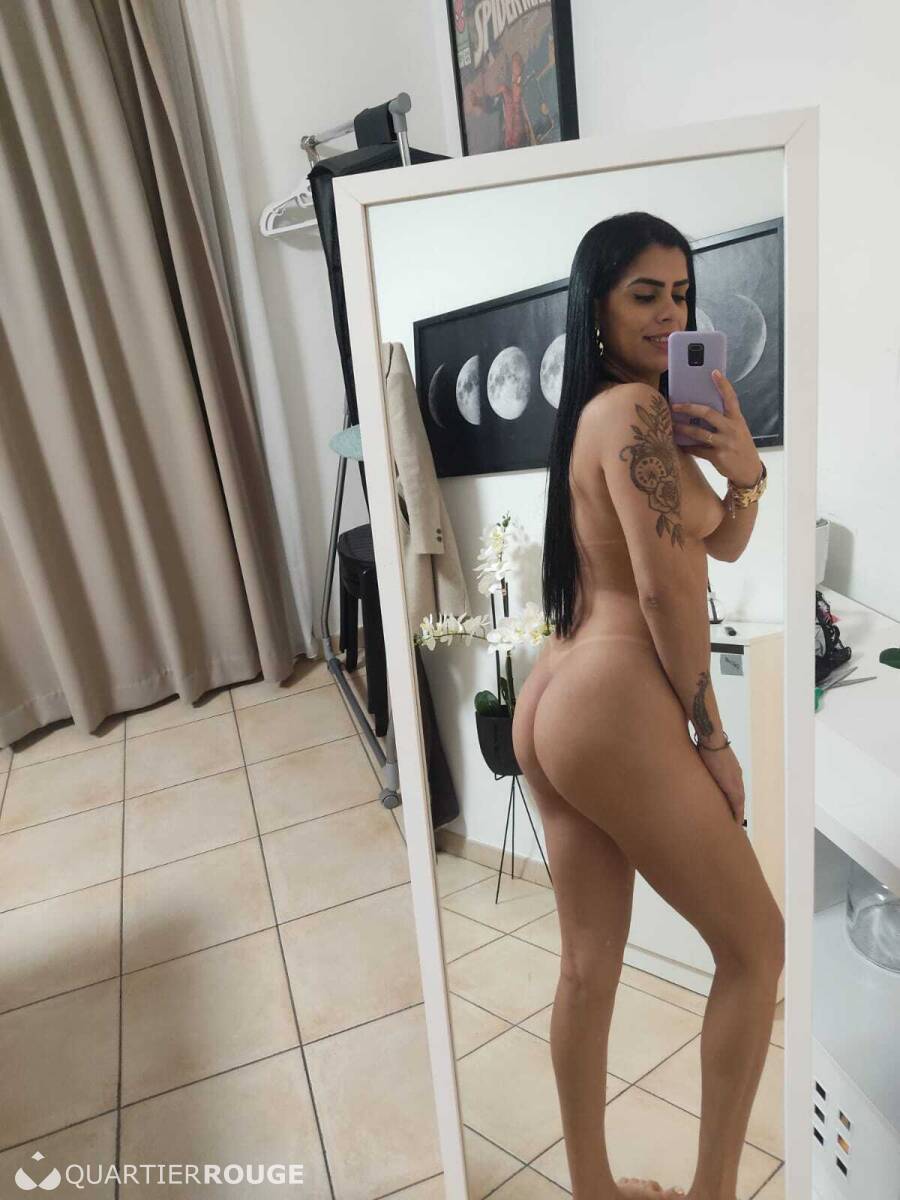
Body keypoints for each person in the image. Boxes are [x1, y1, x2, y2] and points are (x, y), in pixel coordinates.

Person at [511, 212, 783, 1200]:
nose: (670, 314)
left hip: (559, 686)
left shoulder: (618, 416)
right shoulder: (631, 413)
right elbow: (672, 591)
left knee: (587, 963)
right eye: (644, 295)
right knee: (757, 950)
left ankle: (593, 1188)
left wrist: (742, 466)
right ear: (596, 306)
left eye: (682, 295)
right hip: (615, 697)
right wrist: (711, 735)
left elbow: (721, 541)